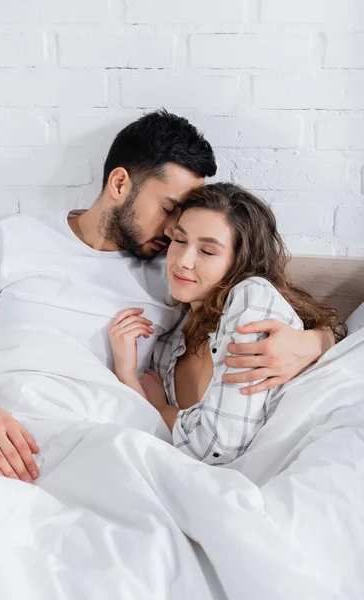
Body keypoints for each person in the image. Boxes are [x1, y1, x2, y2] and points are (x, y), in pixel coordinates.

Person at [0, 111, 334, 482]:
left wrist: (315, 341)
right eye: (170, 209)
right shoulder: (14, 239)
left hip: (96, 441)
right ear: (120, 184)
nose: (175, 230)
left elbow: (274, 307)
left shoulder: (177, 272)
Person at [109, 183, 345, 464]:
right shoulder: (169, 341)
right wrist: (128, 376)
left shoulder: (252, 296)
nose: (182, 261)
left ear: (241, 263)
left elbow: (217, 447)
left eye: (207, 251)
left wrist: (153, 402)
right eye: (180, 241)